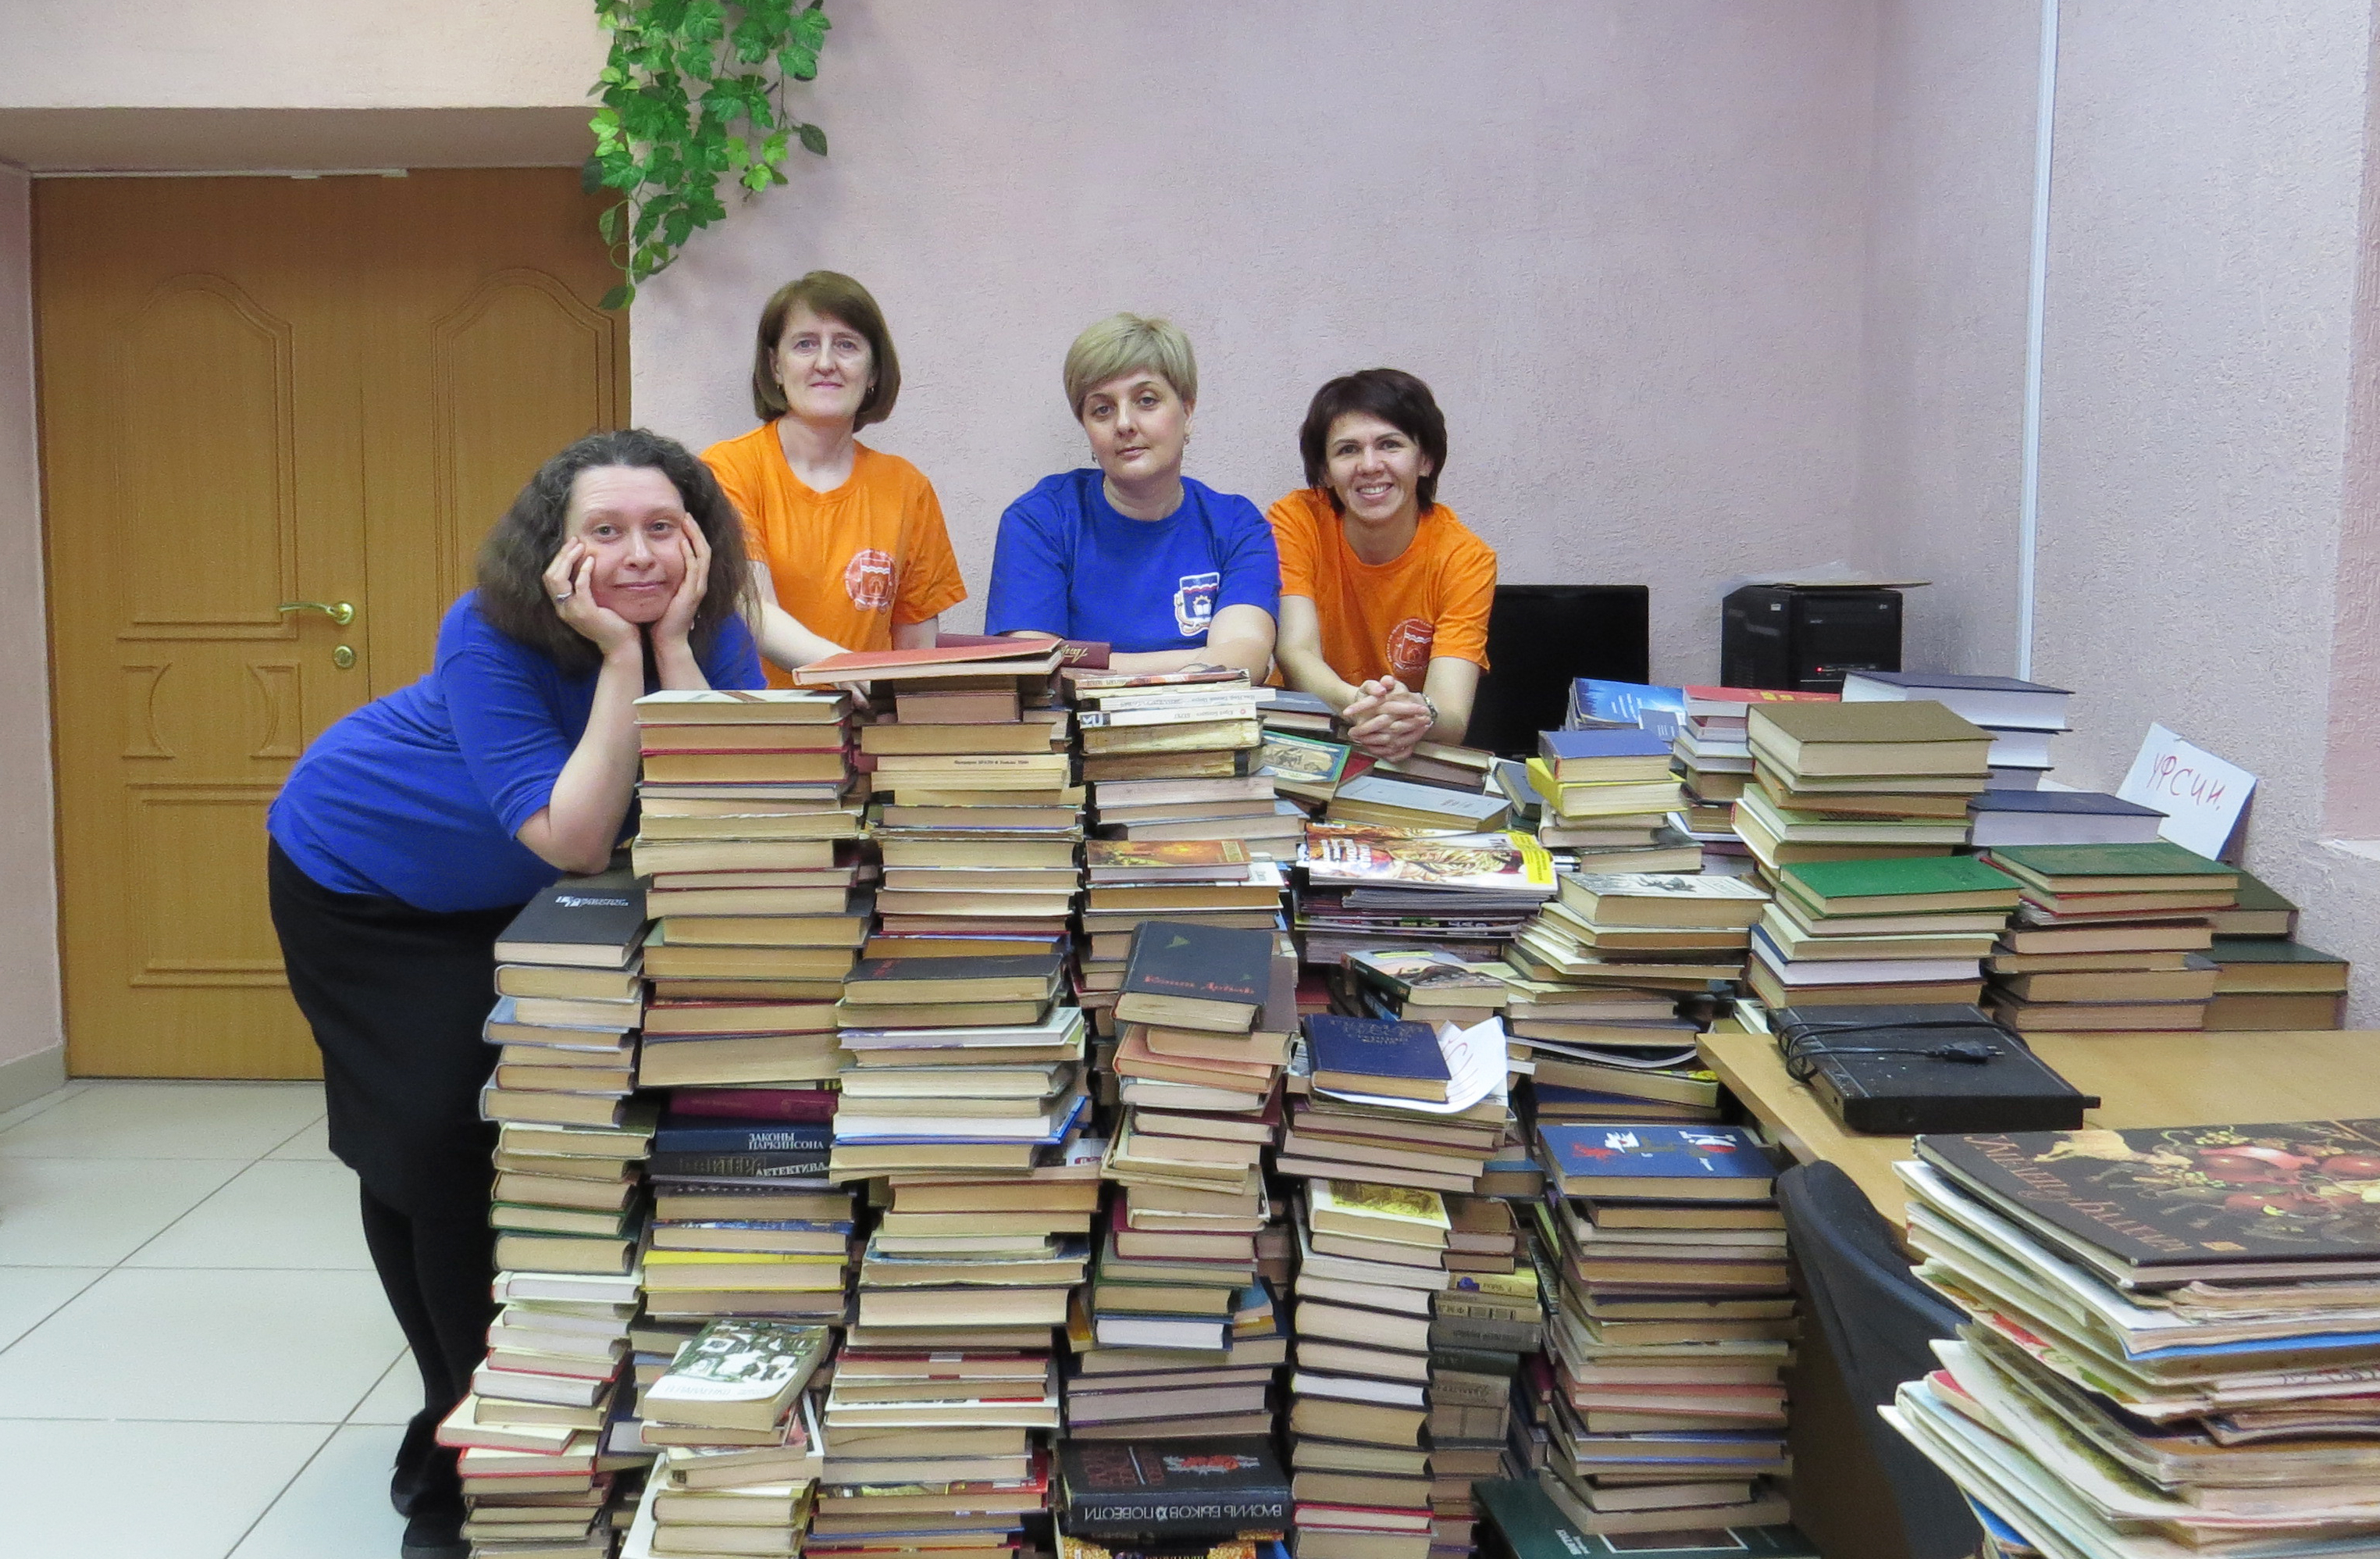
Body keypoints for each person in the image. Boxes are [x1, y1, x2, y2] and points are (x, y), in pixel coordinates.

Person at [265, 430, 762, 1559]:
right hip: (365, 876)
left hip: (517, 894)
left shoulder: (710, 625)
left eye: (663, 528)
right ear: (555, 551)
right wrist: (623, 662)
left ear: (698, 540)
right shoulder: (486, 629)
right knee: (433, 1137)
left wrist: (674, 643)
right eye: (605, 530)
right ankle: (467, 1453)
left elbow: (737, 795)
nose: (637, 554)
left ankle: (481, 1423)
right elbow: (576, 834)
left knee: (495, 1141)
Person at [702, 271, 967, 683]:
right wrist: (850, 669)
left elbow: (916, 647)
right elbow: (754, 612)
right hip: (758, 714)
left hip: (866, 714)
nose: (825, 363)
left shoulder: (906, 487)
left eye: (846, 345)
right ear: (775, 366)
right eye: (805, 344)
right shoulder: (727, 468)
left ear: (873, 372)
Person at [983, 312, 1277, 677]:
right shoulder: (1040, 519)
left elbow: (1246, 656)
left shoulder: (1236, 524)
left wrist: (1087, 663)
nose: (1124, 424)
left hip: (1208, 713)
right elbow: (1033, 669)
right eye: (1102, 409)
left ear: (1187, 412)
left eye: (1146, 400)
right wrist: (1202, 660)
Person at [1268, 368, 1497, 761]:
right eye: (1348, 450)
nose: (1370, 465)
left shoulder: (1466, 558)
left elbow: (1451, 714)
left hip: (1403, 751)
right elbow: (1295, 651)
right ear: (1325, 471)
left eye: (1390, 445)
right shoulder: (1297, 520)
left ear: (1425, 460)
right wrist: (1360, 704)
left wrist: (1416, 715)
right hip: (1305, 738)